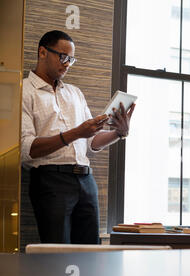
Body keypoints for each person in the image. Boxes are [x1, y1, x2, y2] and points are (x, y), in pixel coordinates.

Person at [21, 30, 135, 244]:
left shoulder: (75, 93)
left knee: (89, 250)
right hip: (50, 181)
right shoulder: (24, 91)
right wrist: (77, 132)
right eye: (63, 57)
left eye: (71, 59)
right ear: (43, 52)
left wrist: (118, 133)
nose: (67, 64)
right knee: (57, 253)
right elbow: (27, 149)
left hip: (86, 179)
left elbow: (91, 142)